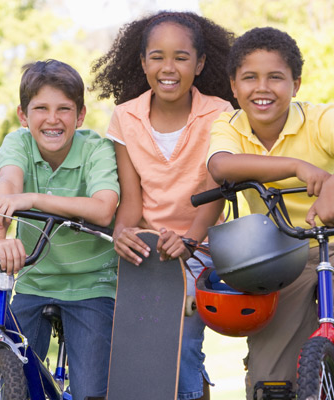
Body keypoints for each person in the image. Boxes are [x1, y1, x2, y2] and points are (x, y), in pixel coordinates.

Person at [91, 11, 235, 400]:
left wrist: (189, 239)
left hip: (199, 246)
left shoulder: (220, 113)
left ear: (200, 63)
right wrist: (123, 233)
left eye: (181, 57)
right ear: (142, 62)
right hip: (148, 251)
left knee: (182, 347)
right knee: (137, 354)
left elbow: (214, 193)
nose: (167, 68)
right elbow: (132, 202)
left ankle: (193, 385)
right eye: (157, 56)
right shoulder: (125, 118)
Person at [206, 27, 334, 398]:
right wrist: (296, 166)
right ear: (233, 86)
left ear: (296, 83)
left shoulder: (320, 119)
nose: (262, 88)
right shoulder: (229, 125)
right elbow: (221, 167)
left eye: (275, 77)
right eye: (250, 78)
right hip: (283, 257)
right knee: (271, 374)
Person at [0, 59, 119, 400]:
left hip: (93, 283)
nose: (53, 118)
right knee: (10, 372)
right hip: (35, 281)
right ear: (23, 115)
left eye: (64, 109)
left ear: (81, 115)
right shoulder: (18, 143)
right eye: (40, 108)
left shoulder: (96, 149)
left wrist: (33, 199)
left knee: (91, 392)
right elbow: (8, 183)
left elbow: (103, 208)